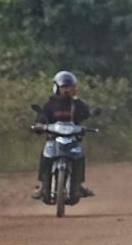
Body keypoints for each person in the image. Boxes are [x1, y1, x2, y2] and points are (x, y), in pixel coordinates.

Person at [31, 70, 95, 199]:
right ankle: (43, 186)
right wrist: (39, 125)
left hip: (73, 140)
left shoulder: (77, 104)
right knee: (45, 158)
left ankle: (78, 185)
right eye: (64, 87)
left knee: (80, 159)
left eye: (70, 87)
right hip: (53, 139)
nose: (67, 90)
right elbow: (42, 116)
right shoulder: (50, 105)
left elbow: (85, 114)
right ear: (57, 88)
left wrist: (89, 118)